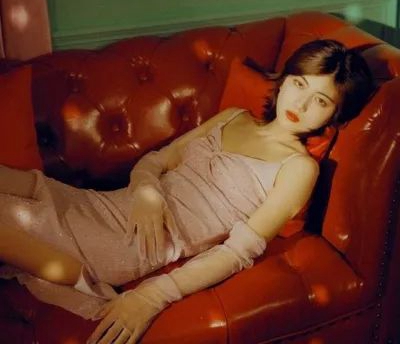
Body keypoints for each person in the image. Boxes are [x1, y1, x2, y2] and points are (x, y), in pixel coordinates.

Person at [0, 39, 376, 344]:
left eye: (321, 101)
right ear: (285, 80)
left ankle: (72, 269)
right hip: (107, 204)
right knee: (24, 185)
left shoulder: (299, 168)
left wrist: (150, 296)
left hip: (126, 243)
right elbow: (156, 161)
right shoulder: (233, 117)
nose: (301, 104)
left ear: (335, 115)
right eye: (299, 84)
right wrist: (147, 193)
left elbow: (238, 251)